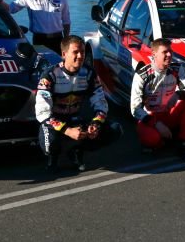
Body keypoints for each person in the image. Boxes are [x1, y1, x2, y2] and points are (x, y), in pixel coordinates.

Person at [36, 35, 122, 172]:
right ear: (64, 54)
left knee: (115, 129)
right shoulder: (50, 75)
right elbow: (42, 113)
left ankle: (76, 150)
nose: (80, 55)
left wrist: (96, 123)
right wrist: (67, 130)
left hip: (77, 118)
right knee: (49, 145)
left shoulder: (89, 73)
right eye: (75, 52)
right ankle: (53, 155)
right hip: (55, 121)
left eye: (82, 51)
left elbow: (100, 102)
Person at [130, 38, 185, 161]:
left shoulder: (177, 69)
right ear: (154, 54)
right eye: (165, 52)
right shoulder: (142, 75)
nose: (169, 55)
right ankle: (159, 141)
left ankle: (183, 143)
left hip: (168, 114)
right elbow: (135, 109)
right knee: (151, 139)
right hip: (151, 118)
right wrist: (156, 124)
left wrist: (178, 95)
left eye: (170, 51)